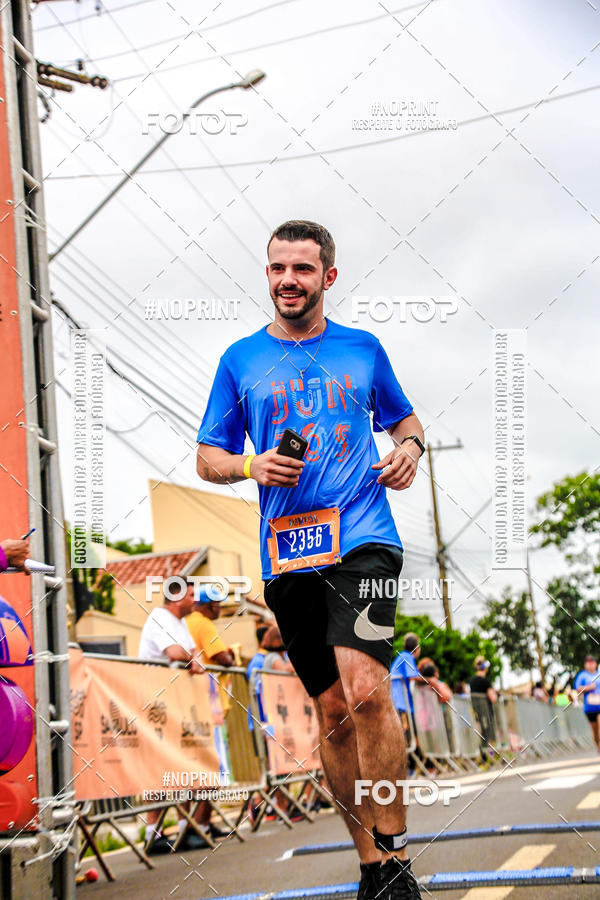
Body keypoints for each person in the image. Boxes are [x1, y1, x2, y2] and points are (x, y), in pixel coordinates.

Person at [197, 220, 425, 899]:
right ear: (267, 276)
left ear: (327, 276)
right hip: (289, 551)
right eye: (276, 269)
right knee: (332, 712)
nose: (287, 280)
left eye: (301, 268)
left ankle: (398, 852)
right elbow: (207, 457)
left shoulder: (363, 349)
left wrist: (410, 450)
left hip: (363, 536)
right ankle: (369, 865)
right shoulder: (240, 361)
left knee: (366, 691)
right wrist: (247, 463)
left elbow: (406, 421)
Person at [138, 577, 207, 854]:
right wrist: (191, 660)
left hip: (174, 700)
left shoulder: (179, 623)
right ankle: (152, 834)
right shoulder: (160, 618)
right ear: (177, 597)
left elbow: (191, 652)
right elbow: (176, 653)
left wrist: (191, 659)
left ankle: (183, 828)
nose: (195, 600)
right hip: (157, 700)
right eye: (191, 595)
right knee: (160, 768)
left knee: (181, 764)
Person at [185, 583, 236, 845]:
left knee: (195, 767)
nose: (219, 609)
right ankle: (200, 824)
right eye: (217, 604)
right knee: (211, 767)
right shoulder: (203, 624)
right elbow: (224, 658)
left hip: (193, 705)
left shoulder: (186, 622)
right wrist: (230, 655)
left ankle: (195, 824)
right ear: (208, 605)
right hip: (207, 706)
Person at [389, 633, 421, 750]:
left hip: (400, 702)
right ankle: (411, 765)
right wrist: (430, 681)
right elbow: (412, 676)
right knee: (409, 734)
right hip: (401, 703)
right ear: (417, 648)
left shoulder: (402, 656)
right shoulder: (408, 656)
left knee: (409, 734)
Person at [469, 656, 498, 760]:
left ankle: (485, 756)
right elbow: (493, 697)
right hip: (485, 711)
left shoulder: (471, 681)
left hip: (476, 711)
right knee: (488, 734)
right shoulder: (485, 682)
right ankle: (488, 757)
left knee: (482, 733)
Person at [574, 656, 600, 751]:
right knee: (595, 731)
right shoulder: (582, 675)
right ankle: (598, 746)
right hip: (590, 707)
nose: (590, 664)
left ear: (595, 664)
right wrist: (589, 687)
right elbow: (578, 689)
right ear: (585, 664)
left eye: (592, 662)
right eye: (588, 662)